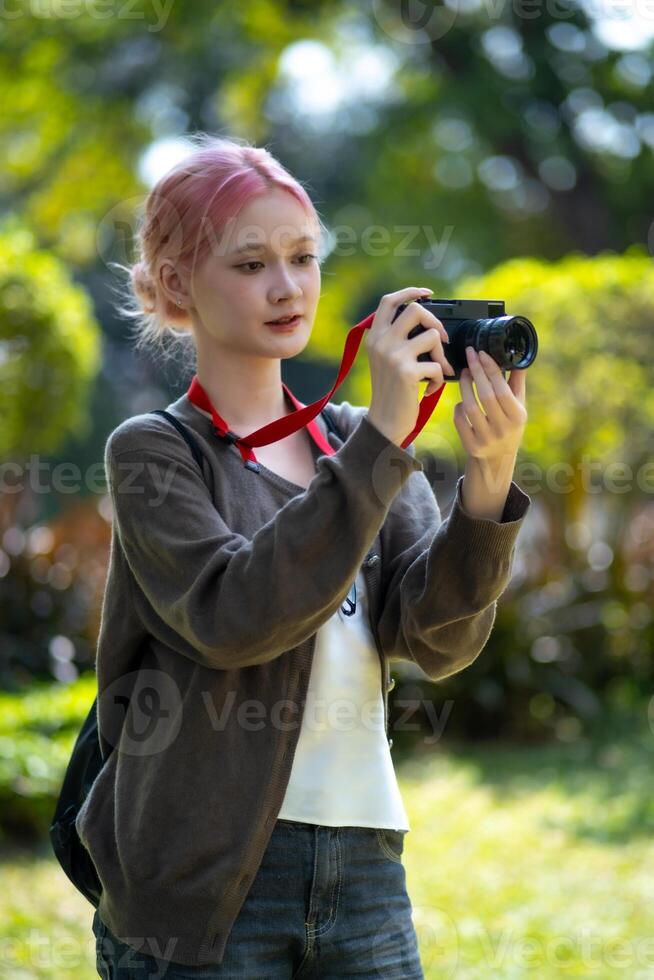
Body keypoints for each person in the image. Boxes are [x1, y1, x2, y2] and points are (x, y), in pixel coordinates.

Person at [83, 132, 531, 978]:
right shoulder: (155, 450)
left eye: (302, 257)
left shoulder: (360, 440)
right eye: (250, 265)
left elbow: (437, 642)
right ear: (178, 283)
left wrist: (489, 480)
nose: (287, 287)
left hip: (363, 867)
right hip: (200, 884)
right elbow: (232, 618)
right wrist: (382, 444)